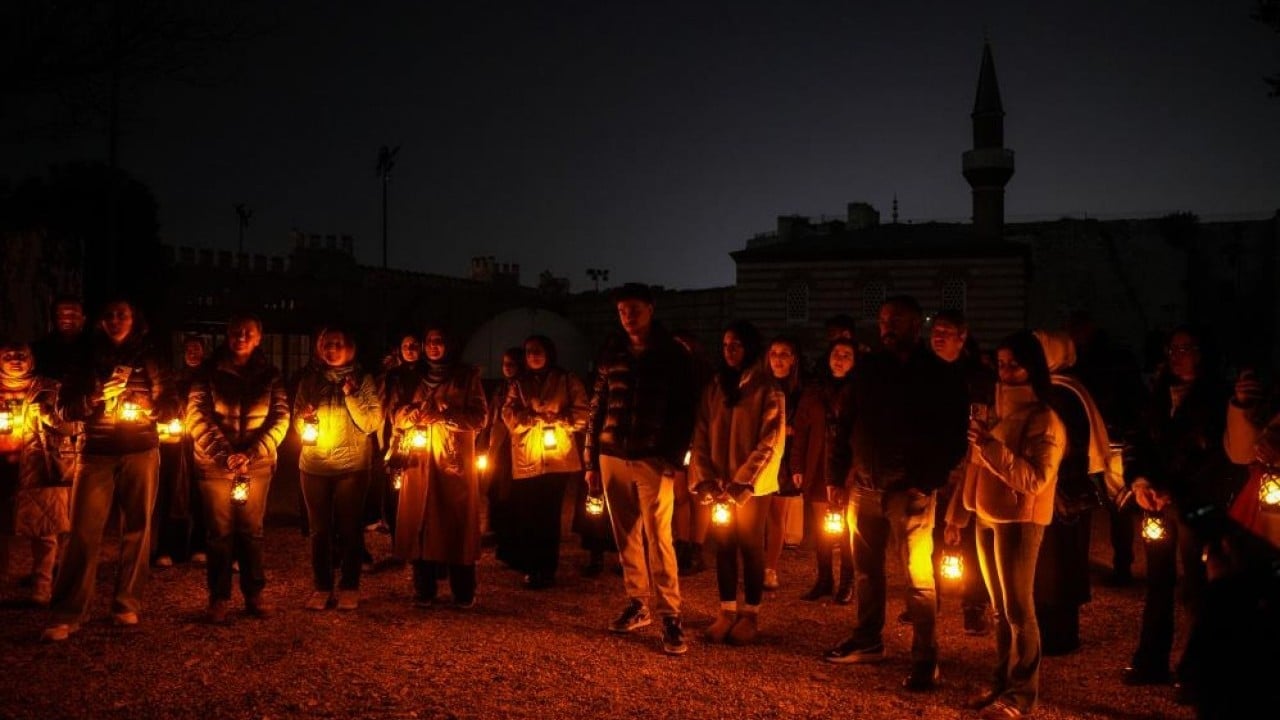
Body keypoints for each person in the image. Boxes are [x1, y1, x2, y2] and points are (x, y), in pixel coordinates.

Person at [823, 296, 969, 693]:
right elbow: (844, 422)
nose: (887, 327)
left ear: (916, 326)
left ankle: (925, 658)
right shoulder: (868, 369)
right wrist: (836, 475)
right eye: (884, 320)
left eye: (896, 321)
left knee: (918, 577)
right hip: (865, 487)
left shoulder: (938, 374)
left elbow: (954, 436)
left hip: (910, 490)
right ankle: (868, 639)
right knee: (867, 571)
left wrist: (927, 480)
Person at [944, 330, 1066, 720]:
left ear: (1033, 367)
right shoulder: (996, 411)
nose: (1006, 371)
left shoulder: (1044, 418)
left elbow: (1035, 479)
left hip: (1019, 519)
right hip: (986, 514)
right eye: (1001, 363)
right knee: (999, 608)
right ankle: (1001, 683)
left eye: (1015, 364)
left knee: (1018, 610)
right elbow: (974, 465)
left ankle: (1021, 695)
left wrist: (989, 446)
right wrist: (957, 515)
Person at [1119, 327, 1243, 706]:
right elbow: (1137, 440)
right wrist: (1140, 481)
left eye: (1185, 348)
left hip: (1196, 504)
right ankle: (1151, 660)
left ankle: (1196, 671)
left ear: (1202, 352)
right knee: (1158, 581)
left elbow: (1219, 456)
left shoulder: (1217, 397)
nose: (1176, 355)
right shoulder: (1156, 394)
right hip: (1158, 502)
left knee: (1196, 587)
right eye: (1172, 349)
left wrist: (1177, 487)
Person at [43, 299, 177, 642]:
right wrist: (95, 395)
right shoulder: (86, 356)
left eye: (122, 314)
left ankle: (126, 603)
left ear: (134, 320)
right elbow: (64, 408)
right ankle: (68, 612)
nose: (116, 319)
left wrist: (150, 407)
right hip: (96, 452)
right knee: (83, 532)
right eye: (110, 315)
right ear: (101, 321)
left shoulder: (150, 357)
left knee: (137, 528)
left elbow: (171, 405)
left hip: (141, 450)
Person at [583, 282, 696, 656]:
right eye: (622, 310)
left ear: (650, 309)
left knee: (659, 536)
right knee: (626, 534)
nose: (628, 316)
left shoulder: (672, 355)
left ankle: (671, 614)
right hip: (612, 453)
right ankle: (638, 602)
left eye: (634, 309)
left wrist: (672, 458)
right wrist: (591, 460)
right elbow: (597, 407)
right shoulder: (612, 351)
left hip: (652, 456)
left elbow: (685, 411)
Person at [186, 314, 290, 623]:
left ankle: (254, 593)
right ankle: (218, 597)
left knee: (251, 531)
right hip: (215, 466)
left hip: (256, 466)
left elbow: (280, 417)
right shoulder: (208, 373)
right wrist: (226, 455)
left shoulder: (270, 375)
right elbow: (197, 416)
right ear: (227, 335)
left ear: (259, 338)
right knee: (219, 532)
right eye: (235, 332)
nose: (241, 337)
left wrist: (253, 453)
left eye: (248, 332)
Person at [690, 319, 785, 645]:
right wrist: (705, 477)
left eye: (736, 345)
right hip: (719, 482)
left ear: (750, 348)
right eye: (725, 345)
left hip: (751, 487)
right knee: (724, 544)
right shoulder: (715, 388)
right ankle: (727, 611)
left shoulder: (767, 389)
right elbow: (701, 433)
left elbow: (770, 441)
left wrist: (743, 482)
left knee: (751, 545)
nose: (729, 351)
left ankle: (751, 614)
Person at [1033, 329, 1114, 656]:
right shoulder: (1070, 387)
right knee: (1063, 562)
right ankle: (1061, 633)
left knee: (1053, 565)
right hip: (1069, 486)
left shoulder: (1058, 392)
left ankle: (1055, 636)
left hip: (1058, 488)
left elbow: (1062, 445)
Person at [393, 325, 487, 608]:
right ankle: (424, 588)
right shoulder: (412, 377)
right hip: (419, 459)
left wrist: (445, 417)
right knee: (419, 521)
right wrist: (410, 414)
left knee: (456, 523)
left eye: (440, 340)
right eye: (429, 341)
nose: (434, 345)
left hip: (452, 461)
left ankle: (463, 590)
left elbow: (480, 417)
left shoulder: (466, 376)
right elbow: (395, 414)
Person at [292, 325, 383, 611]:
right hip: (314, 465)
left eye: (337, 344)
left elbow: (371, 423)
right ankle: (321, 586)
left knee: (350, 528)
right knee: (319, 531)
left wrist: (352, 395)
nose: (331, 349)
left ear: (350, 348)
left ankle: (349, 586)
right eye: (326, 344)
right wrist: (305, 420)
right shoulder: (309, 380)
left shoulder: (363, 380)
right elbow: (297, 422)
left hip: (351, 467)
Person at [500, 334, 590, 589]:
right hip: (527, 457)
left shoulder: (566, 379)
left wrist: (560, 419)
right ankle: (531, 566)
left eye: (538, 351)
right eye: (529, 351)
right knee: (529, 514)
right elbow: (508, 413)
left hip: (557, 458)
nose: (533, 356)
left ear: (549, 353)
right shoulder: (519, 383)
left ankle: (547, 569)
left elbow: (583, 412)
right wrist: (530, 419)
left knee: (550, 515)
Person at [1066, 310, 1146, 587]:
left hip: (1111, 440)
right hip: (1094, 441)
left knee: (1117, 503)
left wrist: (1125, 430)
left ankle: (1121, 565)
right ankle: (1096, 565)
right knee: (1092, 503)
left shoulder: (1103, 361)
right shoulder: (1083, 360)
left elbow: (1133, 399)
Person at [926, 310, 994, 635]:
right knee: (928, 537)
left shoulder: (977, 377)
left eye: (946, 331)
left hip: (968, 466)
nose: (939, 336)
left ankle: (974, 605)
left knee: (970, 540)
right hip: (932, 467)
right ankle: (929, 599)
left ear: (962, 336)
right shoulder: (925, 371)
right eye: (935, 331)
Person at [0, 340, 70, 607]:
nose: (15, 360)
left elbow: (70, 425)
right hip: (3, 467)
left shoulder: (48, 388)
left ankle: (42, 586)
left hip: (41, 464)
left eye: (21, 355)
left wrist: (49, 415)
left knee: (45, 529)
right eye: (8, 355)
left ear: (32, 360)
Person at [794, 337, 857, 604]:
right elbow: (801, 429)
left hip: (849, 466)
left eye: (846, 355)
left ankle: (847, 582)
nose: (840, 359)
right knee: (822, 527)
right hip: (818, 464)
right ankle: (824, 579)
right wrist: (797, 465)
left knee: (848, 528)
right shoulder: (815, 390)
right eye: (836, 354)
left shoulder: (859, 390)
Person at [152, 335, 206, 568]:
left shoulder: (208, 378)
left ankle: (199, 545)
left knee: (200, 492)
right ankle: (169, 547)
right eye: (189, 350)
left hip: (201, 441)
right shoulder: (174, 379)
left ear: (204, 352)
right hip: (175, 443)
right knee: (170, 491)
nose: (193, 353)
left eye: (197, 349)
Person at [762, 334, 805, 590]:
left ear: (793, 359)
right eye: (773, 353)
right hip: (760, 455)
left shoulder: (799, 391)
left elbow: (800, 427)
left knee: (776, 515)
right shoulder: (760, 386)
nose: (778, 359)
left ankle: (770, 568)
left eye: (783, 354)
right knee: (756, 515)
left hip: (785, 458)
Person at [671, 329, 714, 576]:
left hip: (700, 442)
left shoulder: (706, 378)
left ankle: (697, 549)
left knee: (699, 494)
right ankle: (682, 546)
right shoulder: (671, 375)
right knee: (680, 496)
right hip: (678, 441)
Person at [377, 331, 425, 540]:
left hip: (422, 435)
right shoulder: (393, 376)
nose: (410, 350)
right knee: (395, 487)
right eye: (406, 346)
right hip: (397, 435)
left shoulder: (428, 374)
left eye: (414, 345)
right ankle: (398, 537)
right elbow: (386, 406)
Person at [484, 347, 523, 561]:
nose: (507, 367)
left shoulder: (522, 387)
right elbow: (490, 416)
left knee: (510, 493)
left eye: (511, 364)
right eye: (504, 364)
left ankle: (510, 539)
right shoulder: (500, 388)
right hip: (498, 444)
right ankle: (498, 533)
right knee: (495, 489)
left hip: (515, 445)